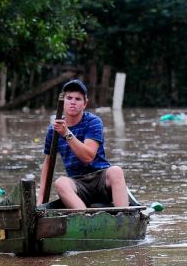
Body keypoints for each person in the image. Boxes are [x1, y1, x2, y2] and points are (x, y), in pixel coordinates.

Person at [40, 79, 130, 208]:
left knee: (116, 171)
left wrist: (66, 133)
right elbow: (48, 163)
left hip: (100, 178)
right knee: (61, 182)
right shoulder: (53, 130)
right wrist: (41, 200)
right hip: (77, 183)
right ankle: (85, 219)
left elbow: (88, 156)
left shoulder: (93, 122)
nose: (73, 102)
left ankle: (124, 218)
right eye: (69, 98)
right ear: (63, 102)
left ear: (84, 104)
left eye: (78, 99)